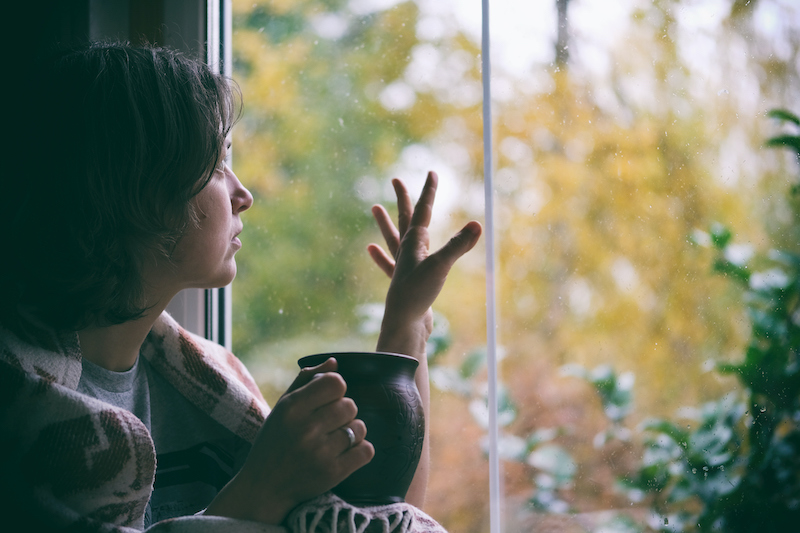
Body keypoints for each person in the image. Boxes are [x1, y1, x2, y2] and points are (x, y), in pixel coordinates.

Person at [0, 42, 482, 532]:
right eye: (215, 164)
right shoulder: (16, 417)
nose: (243, 195)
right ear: (131, 188)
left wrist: (407, 322)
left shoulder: (215, 383)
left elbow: (376, 516)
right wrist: (265, 488)